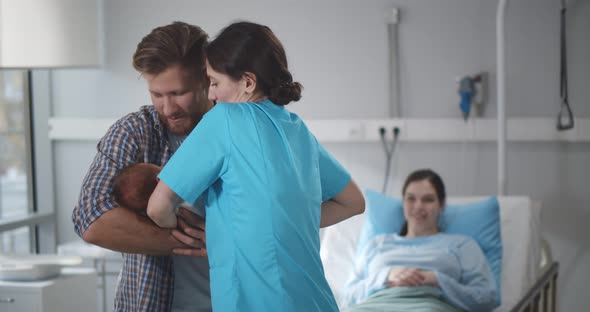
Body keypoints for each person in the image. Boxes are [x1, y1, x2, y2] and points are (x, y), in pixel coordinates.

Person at [147, 21, 366, 312]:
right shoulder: (297, 129)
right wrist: (286, 220)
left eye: (215, 82)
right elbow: (353, 202)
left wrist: (193, 230)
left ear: (247, 83)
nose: (211, 94)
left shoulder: (224, 119)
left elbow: (158, 207)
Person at [72, 21, 213, 311]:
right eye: (157, 95)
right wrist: (202, 243)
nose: (168, 108)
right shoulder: (134, 132)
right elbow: (91, 220)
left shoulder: (239, 132)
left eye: (178, 93)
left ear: (206, 78)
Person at [342, 169, 499, 312]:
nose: (418, 206)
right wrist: (385, 276)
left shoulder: (461, 245)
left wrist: (438, 280)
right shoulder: (377, 244)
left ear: (442, 205)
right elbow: (347, 297)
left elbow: (487, 298)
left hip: (429, 306)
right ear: (403, 203)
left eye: (428, 199)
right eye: (411, 199)